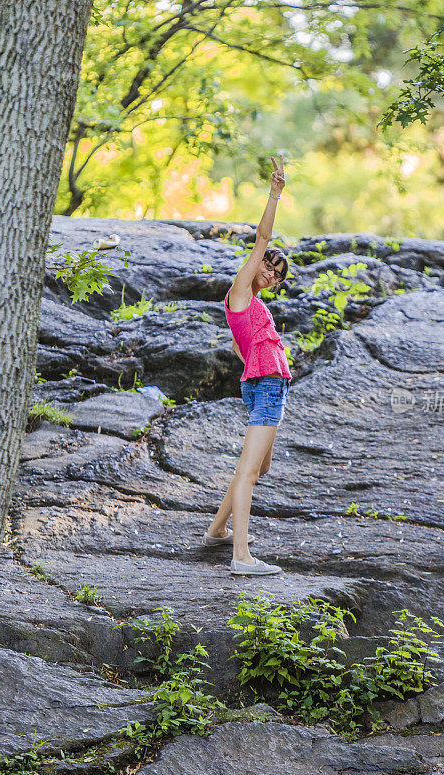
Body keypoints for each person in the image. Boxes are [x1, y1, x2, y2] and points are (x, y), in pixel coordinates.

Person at [203, 154, 292, 576]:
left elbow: (241, 347)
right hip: (268, 387)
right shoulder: (240, 292)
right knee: (250, 471)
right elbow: (262, 237)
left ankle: (217, 529)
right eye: (269, 263)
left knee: (258, 467)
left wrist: (251, 365)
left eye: (278, 271)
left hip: (264, 384)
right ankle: (241, 557)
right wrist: (274, 195)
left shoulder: (250, 306)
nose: (271, 271)